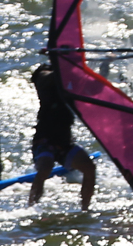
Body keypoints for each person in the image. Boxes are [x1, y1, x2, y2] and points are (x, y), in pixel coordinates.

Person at [28, 63, 96, 210]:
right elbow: (51, 76)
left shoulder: (66, 84)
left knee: (89, 168)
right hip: (45, 140)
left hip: (65, 142)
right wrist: (67, 65)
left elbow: (93, 85)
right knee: (45, 168)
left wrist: (105, 64)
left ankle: (85, 210)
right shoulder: (43, 78)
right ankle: (30, 208)